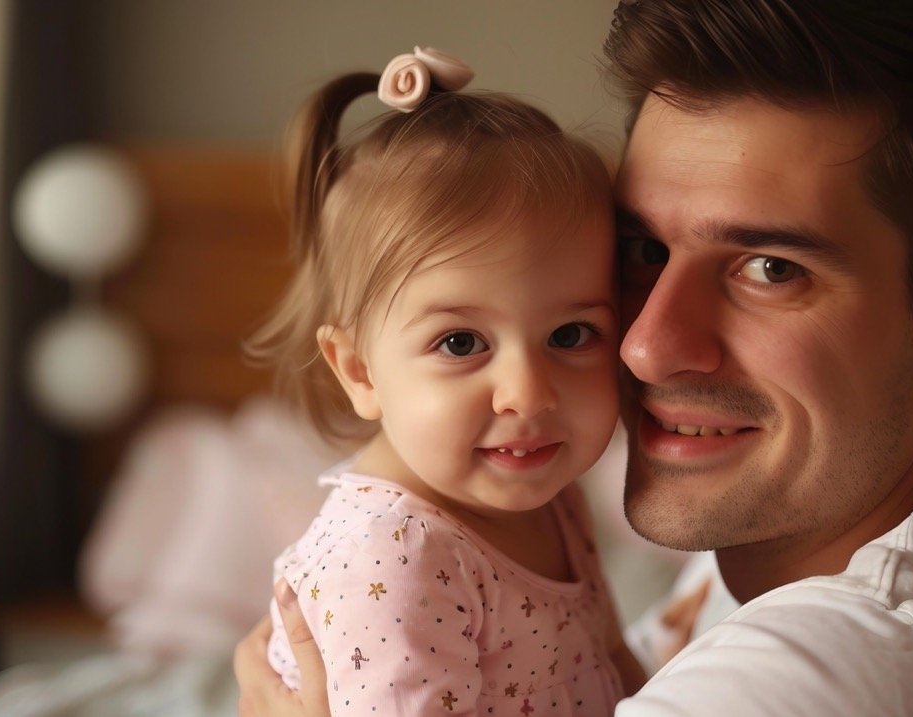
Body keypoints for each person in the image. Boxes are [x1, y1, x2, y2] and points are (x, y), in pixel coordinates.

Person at [237, 1, 913, 714]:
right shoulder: (791, 532)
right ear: (355, 367)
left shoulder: (835, 672)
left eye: (770, 268)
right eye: (643, 249)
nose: (646, 341)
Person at [243, 46, 648, 716]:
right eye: (461, 342)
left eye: (570, 335)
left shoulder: (548, 494)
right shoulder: (391, 558)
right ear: (359, 371)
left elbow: (613, 661)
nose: (529, 392)